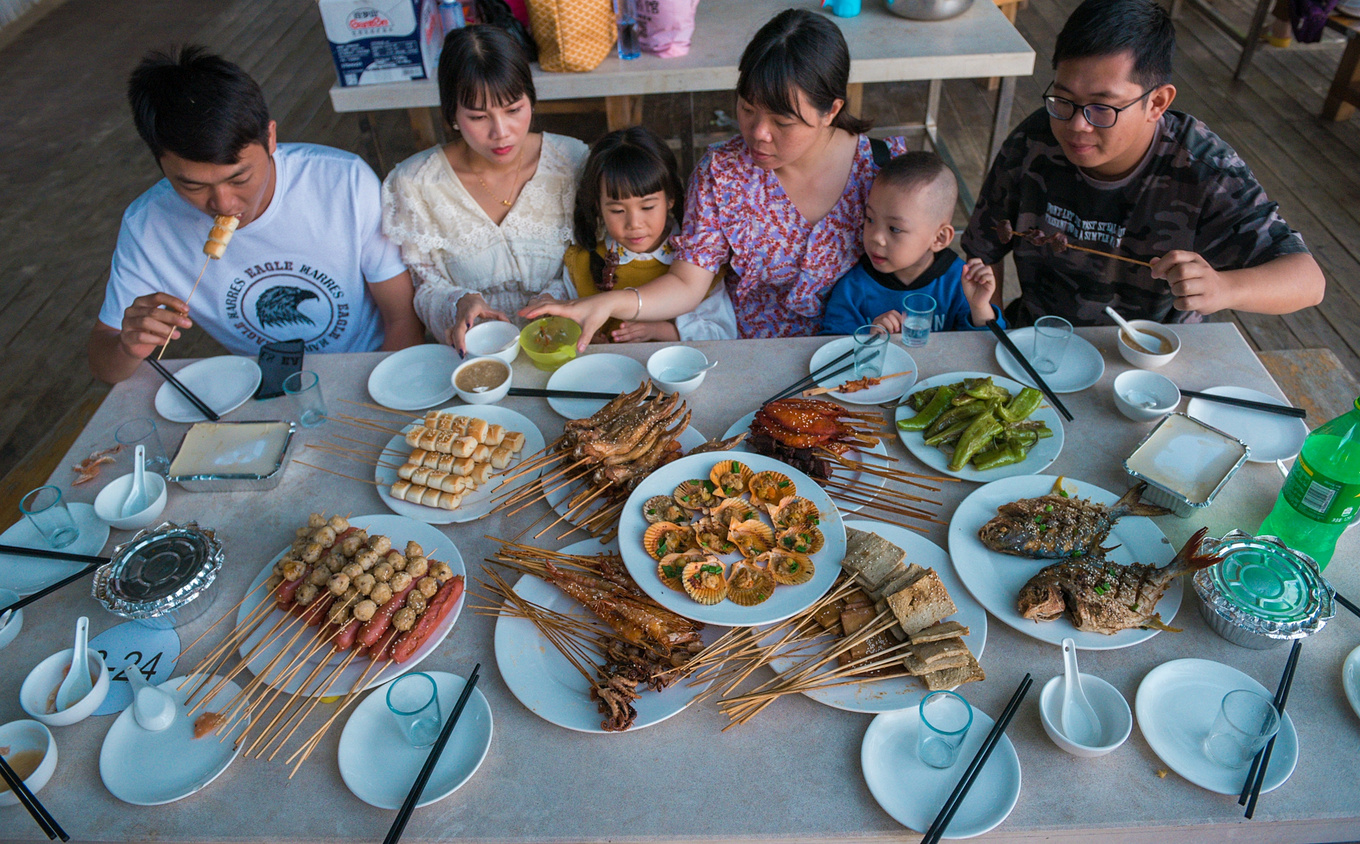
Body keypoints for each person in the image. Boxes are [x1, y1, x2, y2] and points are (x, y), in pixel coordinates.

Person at [523, 9, 908, 348]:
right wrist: (608, 301)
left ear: (831, 110)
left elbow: (919, 270)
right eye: (746, 108)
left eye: (782, 121)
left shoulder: (883, 170)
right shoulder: (722, 173)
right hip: (748, 354)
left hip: (861, 354)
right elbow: (687, 283)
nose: (758, 132)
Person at [961, 0, 1324, 327]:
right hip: (1040, 342)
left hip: (1149, 360)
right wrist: (993, 334)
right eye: (1063, 98)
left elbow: (1308, 281)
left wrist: (1224, 287)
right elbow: (983, 252)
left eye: (1102, 107)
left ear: (1157, 103)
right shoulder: (1034, 141)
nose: (1076, 125)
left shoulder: (1202, 168)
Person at [88, 46, 424, 384]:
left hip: (371, 369)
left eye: (239, 178)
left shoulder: (343, 183)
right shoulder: (148, 225)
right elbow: (105, 367)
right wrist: (126, 348)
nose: (223, 203)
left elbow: (402, 319)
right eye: (192, 186)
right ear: (160, 163)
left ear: (271, 137)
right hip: (265, 385)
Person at [382, 24, 588, 354]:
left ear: (531, 101)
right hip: (473, 359)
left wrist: (560, 296)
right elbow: (423, 288)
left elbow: (600, 257)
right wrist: (459, 302)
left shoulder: (572, 162)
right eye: (478, 117)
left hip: (568, 350)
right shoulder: (415, 183)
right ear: (452, 115)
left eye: (513, 110)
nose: (501, 132)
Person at [559, 126, 736, 343]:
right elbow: (560, 317)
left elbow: (723, 332)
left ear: (670, 198)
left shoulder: (697, 261)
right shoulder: (582, 261)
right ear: (598, 206)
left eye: (647, 207)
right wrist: (587, 339)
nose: (634, 223)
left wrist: (662, 331)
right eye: (617, 211)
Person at [821, 152, 1001, 336]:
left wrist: (979, 307)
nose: (876, 237)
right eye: (870, 219)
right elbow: (830, 349)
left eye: (895, 229)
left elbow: (988, 348)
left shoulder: (960, 282)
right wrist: (868, 339)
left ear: (939, 238)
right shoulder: (853, 289)